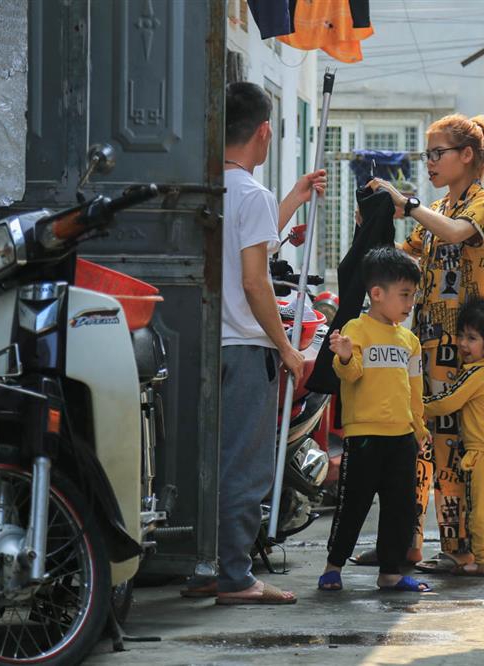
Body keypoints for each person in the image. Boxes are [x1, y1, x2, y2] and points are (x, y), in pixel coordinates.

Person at [182, 81, 325, 605]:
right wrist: (287, 348)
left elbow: (253, 248)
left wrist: (292, 198)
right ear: (264, 132)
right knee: (244, 465)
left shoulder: (203, 188)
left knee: (201, 461)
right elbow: (254, 278)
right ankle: (235, 577)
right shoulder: (251, 194)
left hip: (198, 344)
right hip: (244, 348)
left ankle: (203, 564)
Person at [364, 114, 484, 573]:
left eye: (436, 154)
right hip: (424, 343)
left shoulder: (482, 203)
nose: (429, 163)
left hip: (464, 348)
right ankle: (406, 543)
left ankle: (460, 549)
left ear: (467, 156)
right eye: (427, 155)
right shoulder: (437, 210)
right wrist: (377, 219)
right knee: (419, 443)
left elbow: (459, 235)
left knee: (454, 451)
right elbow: (408, 256)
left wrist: (410, 204)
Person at [317, 247, 433, 593]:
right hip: (364, 435)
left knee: (400, 507)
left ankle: (391, 572)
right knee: (353, 503)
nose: (410, 302)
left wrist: (419, 427)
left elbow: (414, 390)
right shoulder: (356, 329)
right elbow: (350, 376)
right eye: (404, 295)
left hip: (401, 438)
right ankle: (332, 566)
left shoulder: (409, 341)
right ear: (377, 294)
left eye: (413, 295)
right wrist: (345, 356)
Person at [422, 298, 484, 576]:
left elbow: (447, 402)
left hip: (483, 454)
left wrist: (417, 404)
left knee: (479, 514)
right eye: (461, 335)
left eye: (472, 338)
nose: (463, 343)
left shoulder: (475, 373)